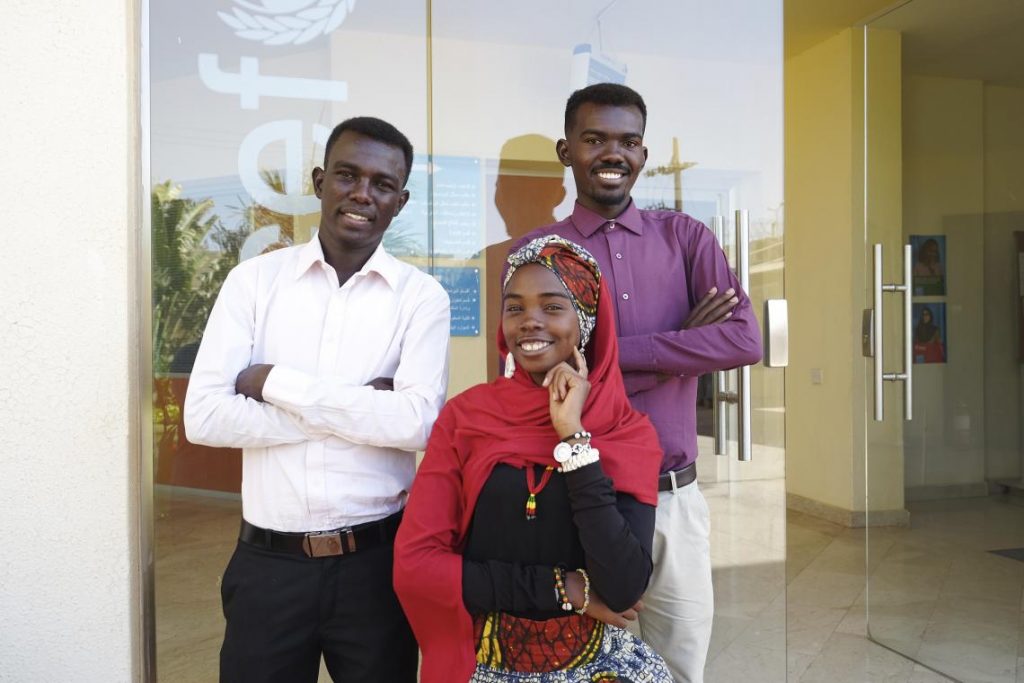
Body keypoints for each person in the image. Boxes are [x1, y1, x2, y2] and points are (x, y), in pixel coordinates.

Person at [184, 116, 451, 683]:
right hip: (268, 570)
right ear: (317, 180)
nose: (362, 193)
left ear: (400, 202)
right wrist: (357, 410)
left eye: (382, 184)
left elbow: (415, 425)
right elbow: (204, 416)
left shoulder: (420, 298)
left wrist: (279, 385)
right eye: (347, 175)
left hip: (377, 568)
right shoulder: (253, 283)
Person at [514, 84, 763, 683]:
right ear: (565, 150)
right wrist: (684, 345)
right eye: (595, 139)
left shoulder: (686, 239)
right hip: (581, 499)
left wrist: (607, 352)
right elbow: (539, 371)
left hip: (675, 500)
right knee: (586, 665)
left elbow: (745, 341)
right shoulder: (539, 254)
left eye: (627, 141)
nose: (612, 153)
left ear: (643, 155)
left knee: (680, 666)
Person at [394, 236, 673, 683]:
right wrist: (564, 588)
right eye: (515, 307)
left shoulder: (626, 431)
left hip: (599, 667)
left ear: (585, 321)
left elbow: (622, 588)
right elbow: (416, 567)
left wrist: (574, 438)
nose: (529, 322)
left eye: (552, 306)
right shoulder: (467, 419)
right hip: (487, 665)